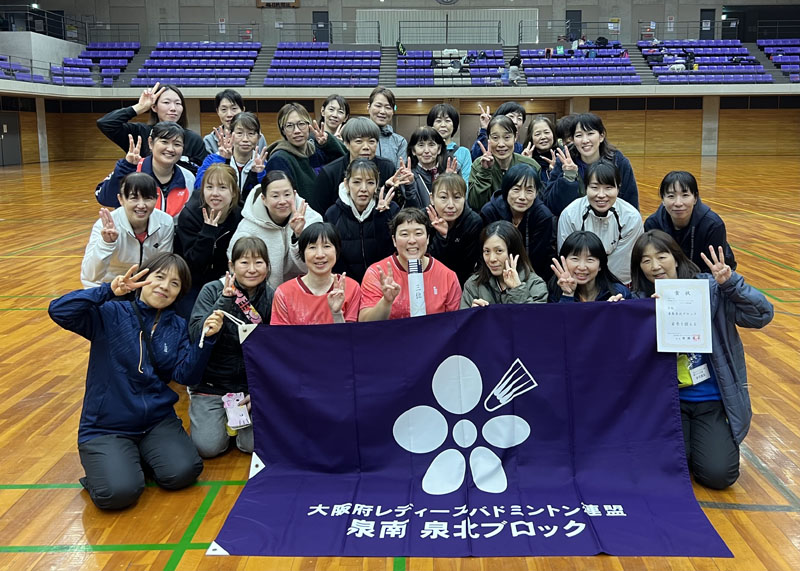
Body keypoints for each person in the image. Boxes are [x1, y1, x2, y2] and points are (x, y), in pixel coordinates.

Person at [48, 254, 223, 510]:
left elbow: (186, 376)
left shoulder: (177, 326)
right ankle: (113, 466)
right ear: (143, 278)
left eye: (175, 284)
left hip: (155, 422)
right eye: (159, 277)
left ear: (179, 293)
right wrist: (108, 291)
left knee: (184, 472)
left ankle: (132, 458)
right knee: (118, 493)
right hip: (106, 426)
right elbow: (58, 310)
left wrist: (206, 340)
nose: (165, 286)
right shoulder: (111, 313)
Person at [629, 230, 773, 489]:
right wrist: (631, 314)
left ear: (676, 257)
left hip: (711, 401)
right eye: (645, 260)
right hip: (668, 403)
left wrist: (731, 284)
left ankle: (703, 443)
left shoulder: (710, 289)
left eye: (661, 256)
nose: (655, 266)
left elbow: (761, 315)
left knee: (719, 475)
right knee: (667, 468)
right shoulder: (639, 301)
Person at [188, 236, 274, 458]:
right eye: (244, 262)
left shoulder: (271, 296)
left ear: (267, 266)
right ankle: (209, 411)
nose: (252, 269)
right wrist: (224, 300)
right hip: (211, 385)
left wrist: (260, 390)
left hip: (249, 386)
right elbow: (196, 333)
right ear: (231, 265)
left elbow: (276, 349)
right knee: (208, 448)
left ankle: (236, 421)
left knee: (252, 445)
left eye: (259, 262)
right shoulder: (211, 290)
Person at [359, 208, 461, 321]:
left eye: (418, 233)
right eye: (404, 234)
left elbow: (456, 323)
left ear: (427, 238)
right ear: (394, 240)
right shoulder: (376, 273)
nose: (412, 240)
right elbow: (365, 323)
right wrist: (386, 301)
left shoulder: (448, 276)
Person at [228, 170, 322, 289]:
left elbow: (313, 265)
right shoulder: (248, 228)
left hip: (304, 290)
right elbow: (238, 269)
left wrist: (299, 236)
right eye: (275, 196)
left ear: (294, 194)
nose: (282, 201)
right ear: (264, 199)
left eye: (287, 194)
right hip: (263, 293)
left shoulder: (310, 218)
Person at [82, 172, 174, 288]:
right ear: (121, 199)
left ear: (156, 199)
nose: (141, 205)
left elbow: (163, 266)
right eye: (134, 198)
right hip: (107, 287)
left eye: (147, 198)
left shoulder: (165, 222)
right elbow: (90, 275)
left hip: (144, 286)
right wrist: (106, 244)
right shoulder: (105, 226)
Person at [557, 161, 643, 284]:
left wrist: (600, 289)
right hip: (577, 279)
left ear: (618, 188)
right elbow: (567, 256)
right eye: (594, 187)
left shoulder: (631, 218)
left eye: (608, 188)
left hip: (615, 283)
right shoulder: (570, 214)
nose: (601, 195)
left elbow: (622, 264)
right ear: (586, 187)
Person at [174, 163, 243, 306]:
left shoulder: (240, 216)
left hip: (226, 280)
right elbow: (193, 263)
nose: (215, 193)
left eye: (222, 187)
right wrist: (207, 232)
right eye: (209, 187)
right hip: (191, 281)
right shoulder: (190, 215)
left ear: (233, 192)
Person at [97, 82, 207, 169]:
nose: (173, 108)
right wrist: (140, 107)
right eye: (166, 102)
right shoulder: (139, 133)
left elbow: (203, 173)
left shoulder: (193, 139)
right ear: (154, 107)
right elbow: (106, 123)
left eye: (178, 103)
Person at [95, 122, 196, 217]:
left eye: (177, 144)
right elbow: (105, 199)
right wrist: (125, 168)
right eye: (164, 142)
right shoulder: (130, 169)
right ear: (150, 143)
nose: (170, 149)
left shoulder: (188, 177)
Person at [324, 158, 399, 283]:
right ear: (346, 184)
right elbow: (333, 256)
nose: (363, 188)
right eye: (357, 182)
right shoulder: (333, 214)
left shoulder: (390, 210)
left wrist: (381, 217)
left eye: (370, 183)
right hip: (347, 284)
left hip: (384, 282)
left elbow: (392, 251)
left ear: (377, 185)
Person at [271, 223, 362, 325]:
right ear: (302, 252)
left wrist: (337, 314)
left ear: (337, 250)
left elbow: (351, 334)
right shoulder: (284, 292)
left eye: (326, 246)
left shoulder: (351, 288)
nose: (320, 255)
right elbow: (280, 334)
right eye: (312, 247)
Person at [644, 170, 736, 271]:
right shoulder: (652, 224)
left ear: (695, 198)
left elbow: (717, 270)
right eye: (671, 196)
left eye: (685, 195)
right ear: (662, 199)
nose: (678, 203)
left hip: (707, 276)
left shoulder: (713, 225)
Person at [547, 112, 639, 211]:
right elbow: (551, 205)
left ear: (601, 136)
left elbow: (631, 204)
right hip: (574, 220)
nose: (585, 140)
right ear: (573, 139)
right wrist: (568, 177)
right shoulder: (563, 162)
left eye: (590, 133)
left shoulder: (619, 162)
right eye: (579, 135)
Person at [480, 164, 556, 282]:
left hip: (530, 274)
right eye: (516, 189)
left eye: (529, 191)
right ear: (506, 190)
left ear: (536, 193)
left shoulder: (542, 216)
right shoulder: (490, 212)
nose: (522, 197)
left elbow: (539, 258)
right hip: (494, 272)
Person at [264, 103, 347, 210]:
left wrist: (328, 143)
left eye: (301, 124)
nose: (297, 131)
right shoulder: (279, 159)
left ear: (309, 126)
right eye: (289, 126)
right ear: (283, 130)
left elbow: (346, 162)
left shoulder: (316, 150)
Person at [314, 117, 398, 215]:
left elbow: (395, 210)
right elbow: (320, 212)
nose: (366, 147)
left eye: (371, 142)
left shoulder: (387, 167)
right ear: (347, 144)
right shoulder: (330, 172)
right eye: (359, 141)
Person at [461, 221, 547, 307]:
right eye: (487, 251)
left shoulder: (535, 284)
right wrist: (473, 312)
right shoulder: (473, 285)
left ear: (514, 252)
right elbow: (464, 315)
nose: (492, 259)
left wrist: (517, 290)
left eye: (499, 251)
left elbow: (535, 315)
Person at [468, 115, 541, 211]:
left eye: (507, 137)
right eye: (495, 138)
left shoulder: (531, 166)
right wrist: (484, 172)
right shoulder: (479, 165)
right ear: (488, 139)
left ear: (515, 137)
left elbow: (538, 203)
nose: (501, 144)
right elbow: (474, 204)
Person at [195, 112, 269, 204]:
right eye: (239, 133)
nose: (245, 139)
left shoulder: (262, 165)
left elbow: (266, 196)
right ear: (230, 135)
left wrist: (259, 174)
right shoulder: (213, 159)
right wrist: (222, 160)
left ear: (259, 137)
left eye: (251, 133)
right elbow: (199, 188)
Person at [426, 173, 483, 286]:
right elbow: (426, 262)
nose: (451, 205)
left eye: (457, 197)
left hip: (460, 283)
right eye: (443, 197)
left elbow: (467, 266)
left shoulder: (473, 222)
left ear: (464, 198)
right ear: (432, 198)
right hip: (428, 281)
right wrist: (441, 237)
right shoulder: (423, 219)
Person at [548, 230, 631, 303]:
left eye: (590, 260)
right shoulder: (556, 292)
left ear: (600, 265)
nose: (582, 267)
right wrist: (567, 295)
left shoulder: (619, 292)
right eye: (575, 259)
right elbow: (561, 316)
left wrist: (617, 309)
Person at [203, 89, 267, 155]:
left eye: (234, 109)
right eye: (224, 109)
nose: (229, 114)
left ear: (243, 110)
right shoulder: (209, 140)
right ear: (217, 111)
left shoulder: (258, 137)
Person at [427, 103, 471, 187]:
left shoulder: (463, 152)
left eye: (447, 121)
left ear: (454, 125)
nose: (443, 125)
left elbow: (466, 184)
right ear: (431, 125)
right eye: (438, 121)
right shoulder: (425, 151)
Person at [367, 86, 407, 167]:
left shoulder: (400, 142)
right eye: (378, 106)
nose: (382, 111)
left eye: (388, 107)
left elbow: (399, 172)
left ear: (392, 112)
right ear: (368, 107)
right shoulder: (355, 136)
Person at [522, 115, 558, 181]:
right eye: (537, 134)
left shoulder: (563, 155)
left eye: (546, 132)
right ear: (531, 138)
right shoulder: (525, 156)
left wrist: (555, 170)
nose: (543, 137)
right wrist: (526, 164)